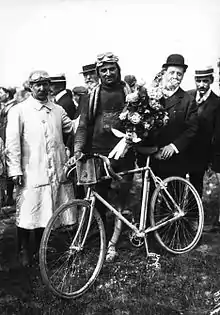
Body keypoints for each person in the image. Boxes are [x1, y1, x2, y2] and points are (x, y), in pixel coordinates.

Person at [6, 70, 75, 267]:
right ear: (30, 86)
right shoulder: (19, 110)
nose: (42, 88)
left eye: (45, 84)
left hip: (53, 168)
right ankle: (23, 249)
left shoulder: (57, 109)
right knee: (27, 212)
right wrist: (15, 170)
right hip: (30, 169)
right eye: (38, 84)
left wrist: (87, 116)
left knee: (45, 211)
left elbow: (71, 127)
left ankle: (39, 249)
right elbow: (12, 143)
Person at [74, 52, 132, 261]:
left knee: (120, 199)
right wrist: (79, 149)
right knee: (99, 198)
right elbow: (83, 125)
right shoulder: (91, 97)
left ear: (118, 70)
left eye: (112, 69)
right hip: (98, 155)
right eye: (103, 70)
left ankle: (114, 243)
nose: (108, 73)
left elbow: (139, 121)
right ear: (98, 73)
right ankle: (101, 238)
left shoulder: (129, 93)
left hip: (125, 154)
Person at [148, 54, 198, 179]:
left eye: (179, 74)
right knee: (148, 195)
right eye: (172, 72)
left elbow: (192, 129)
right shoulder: (152, 95)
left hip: (174, 160)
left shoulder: (188, 100)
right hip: (151, 157)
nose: (175, 77)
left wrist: (173, 146)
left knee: (173, 195)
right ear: (164, 73)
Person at [187, 66, 220, 197]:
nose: (201, 85)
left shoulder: (217, 103)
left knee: (195, 185)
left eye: (205, 81)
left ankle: (193, 215)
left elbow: (217, 133)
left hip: (200, 153)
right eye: (198, 81)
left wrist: (212, 159)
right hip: (182, 149)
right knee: (176, 183)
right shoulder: (187, 96)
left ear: (211, 80)